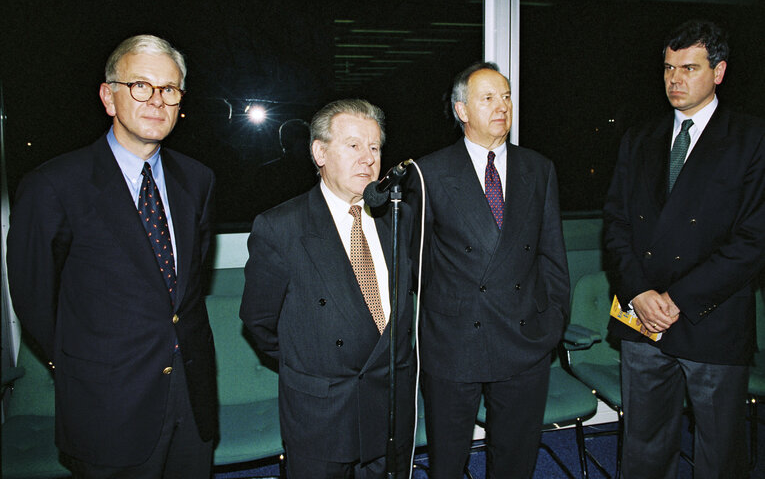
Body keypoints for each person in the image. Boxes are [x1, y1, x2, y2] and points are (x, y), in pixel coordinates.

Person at [6, 34, 217, 478]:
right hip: (107, 405)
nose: (157, 101)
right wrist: (81, 361)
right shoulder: (54, 184)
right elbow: (33, 297)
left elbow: (187, 286)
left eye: (170, 90)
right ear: (108, 96)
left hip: (191, 400)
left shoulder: (198, 180)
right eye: (141, 85)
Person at [603, 19, 765, 479]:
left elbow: (753, 239)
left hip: (711, 319)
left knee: (719, 454)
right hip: (642, 318)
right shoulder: (640, 138)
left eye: (689, 68)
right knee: (643, 448)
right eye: (669, 68)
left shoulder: (752, 140)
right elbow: (614, 225)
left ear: (719, 72)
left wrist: (677, 300)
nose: (675, 79)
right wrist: (637, 293)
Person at [239, 99, 416, 479]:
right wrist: (313, 364)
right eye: (353, 145)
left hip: (390, 409)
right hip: (322, 412)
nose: (367, 159)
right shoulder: (281, 228)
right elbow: (259, 322)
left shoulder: (399, 218)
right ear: (320, 152)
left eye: (374, 147)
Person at [412, 62, 570, 478]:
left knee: (516, 459)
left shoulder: (539, 168)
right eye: (488, 98)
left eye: (506, 96)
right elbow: (414, 263)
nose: (502, 106)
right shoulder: (427, 173)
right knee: (447, 460)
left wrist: (552, 322)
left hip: (524, 339)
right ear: (462, 110)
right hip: (454, 342)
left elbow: (552, 256)